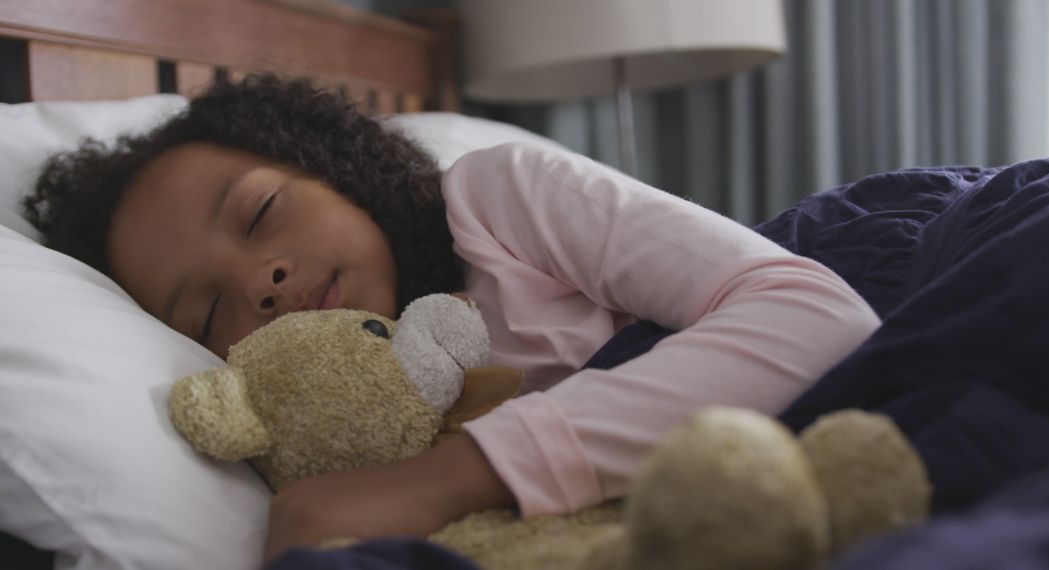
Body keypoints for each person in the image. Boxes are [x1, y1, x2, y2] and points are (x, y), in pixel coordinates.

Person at [23, 75, 880, 562]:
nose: (264, 279)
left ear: (333, 168)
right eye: (208, 310)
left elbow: (816, 312)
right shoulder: (316, 431)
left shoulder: (499, 199)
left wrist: (450, 478)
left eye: (261, 215)